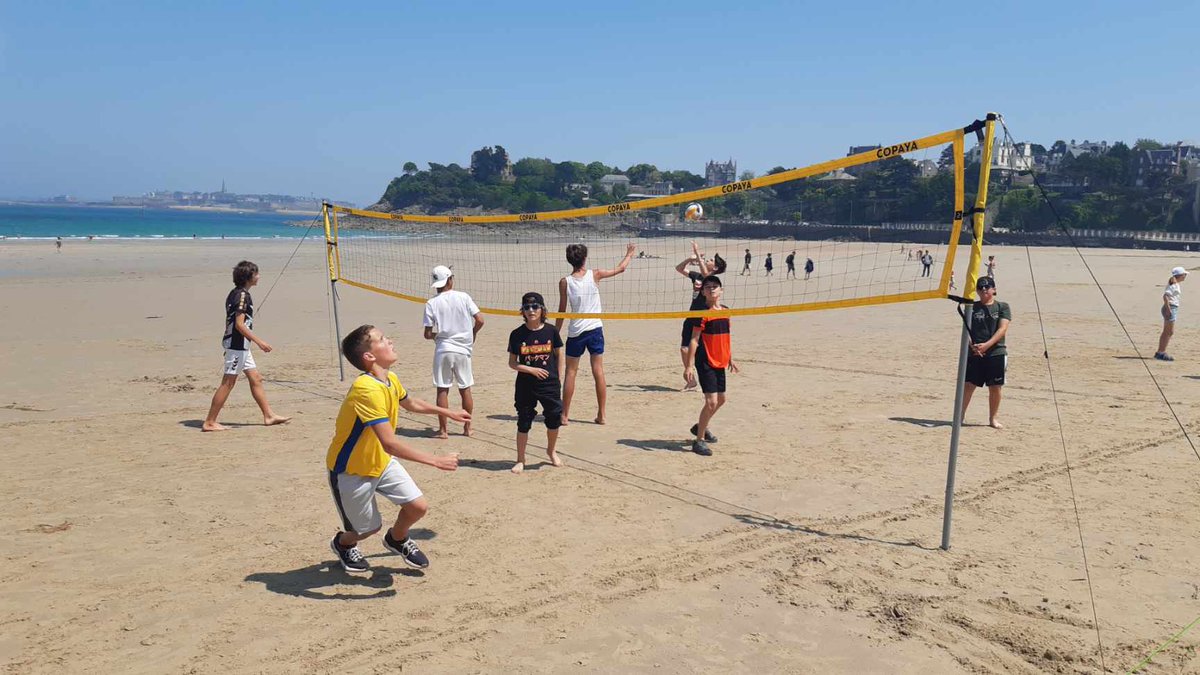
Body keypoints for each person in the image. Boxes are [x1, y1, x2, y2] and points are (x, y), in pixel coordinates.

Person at [327, 325, 466, 573]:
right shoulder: (366, 390)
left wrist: (447, 412)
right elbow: (390, 442)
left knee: (417, 507)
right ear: (369, 356)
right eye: (381, 339)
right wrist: (436, 461)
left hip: (380, 461)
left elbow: (410, 403)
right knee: (366, 530)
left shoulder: (389, 378)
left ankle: (397, 538)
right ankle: (343, 544)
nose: (390, 340)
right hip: (351, 470)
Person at [202, 260, 291, 431]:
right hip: (237, 345)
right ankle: (210, 422)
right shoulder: (242, 295)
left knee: (256, 378)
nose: (259, 276)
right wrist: (260, 342)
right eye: (256, 274)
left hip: (240, 345)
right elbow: (239, 324)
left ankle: (269, 415)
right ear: (249, 277)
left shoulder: (236, 293)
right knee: (228, 383)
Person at [555, 242, 636, 425]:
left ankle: (564, 415)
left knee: (570, 372)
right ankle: (602, 415)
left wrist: (555, 332)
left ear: (569, 260)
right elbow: (621, 269)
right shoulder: (595, 274)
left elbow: (561, 311)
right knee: (598, 371)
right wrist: (630, 253)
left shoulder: (564, 282)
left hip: (576, 331)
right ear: (584, 258)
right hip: (594, 329)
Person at [423, 265, 484, 438]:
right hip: (462, 349)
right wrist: (472, 333)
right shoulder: (463, 297)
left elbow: (427, 334)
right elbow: (480, 320)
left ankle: (443, 430)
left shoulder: (431, 303)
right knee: (465, 388)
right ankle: (467, 428)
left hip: (443, 349)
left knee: (442, 390)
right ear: (450, 279)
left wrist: (439, 336)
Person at [508, 292, 565, 474]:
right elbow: (512, 362)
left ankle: (551, 451)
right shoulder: (517, 334)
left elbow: (559, 354)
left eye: (535, 307)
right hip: (526, 384)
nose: (531, 311)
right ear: (522, 311)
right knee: (524, 421)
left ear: (542, 309)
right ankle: (520, 459)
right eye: (527, 307)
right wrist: (531, 369)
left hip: (549, 384)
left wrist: (558, 377)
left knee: (553, 419)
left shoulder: (551, 331)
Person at [684, 275, 739, 456]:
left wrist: (730, 357)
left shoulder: (725, 311)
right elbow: (694, 339)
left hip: (721, 360)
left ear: (721, 290)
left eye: (715, 286)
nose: (711, 289)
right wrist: (689, 366)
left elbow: (726, 336)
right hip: (706, 360)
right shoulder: (702, 313)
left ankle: (701, 426)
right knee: (711, 401)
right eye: (707, 287)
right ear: (703, 292)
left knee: (722, 399)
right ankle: (698, 441)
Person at [962, 276, 1011, 429]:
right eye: (980, 287)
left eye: (987, 287)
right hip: (975, 352)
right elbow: (966, 330)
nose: (984, 289)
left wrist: (987, 345)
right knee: (969, 385)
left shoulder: (1002, 306)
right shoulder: (971, 307)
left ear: (994, 289)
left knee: (995, 386)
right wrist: (973, 346)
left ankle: (993, 418)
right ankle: (960, 416)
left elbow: (1002, 329)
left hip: (996, 352)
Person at [675, 242, 724, 390]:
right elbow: (679, 269)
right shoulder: (697, 276)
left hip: (704, 317)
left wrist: (697, 252)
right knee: (684, 348)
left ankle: (706, 376)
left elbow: (705, 274)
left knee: (701, 349)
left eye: (710, 260)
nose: (707, 260)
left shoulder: (712, 280)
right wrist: (690, 259)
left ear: (714, 268)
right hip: (692, 315)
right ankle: (691, 379)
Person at [1155, 266, 1188, 361]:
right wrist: (1168, 309)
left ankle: (1160, 351)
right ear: (1180, 275)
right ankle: (1161, 352)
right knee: (1168, 332)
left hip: (1172, 308)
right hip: (1171, 307)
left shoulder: (1175, 283)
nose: (1185, 276)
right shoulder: (1173, 284)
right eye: (1184, 274)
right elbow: (1165, 296)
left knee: (1168, 331)